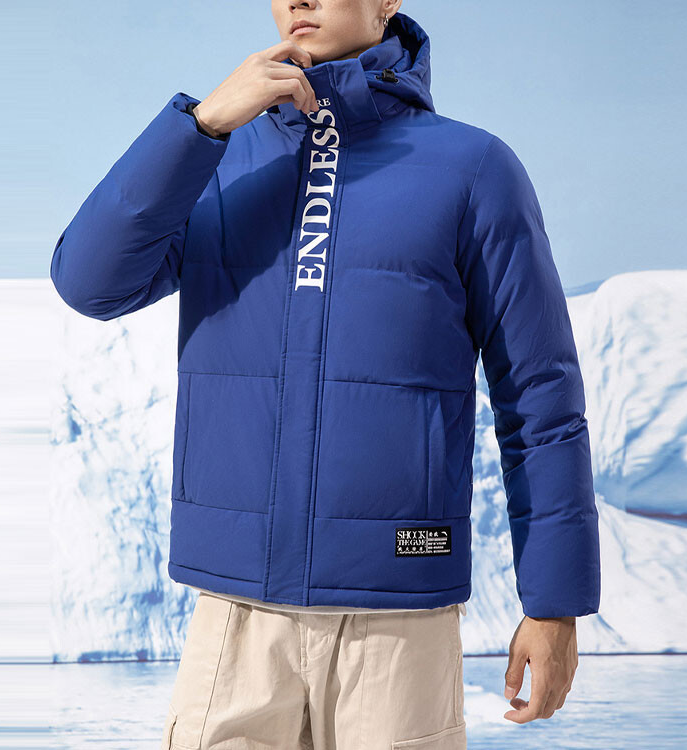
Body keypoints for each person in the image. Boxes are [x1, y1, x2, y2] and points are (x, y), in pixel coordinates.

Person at [49, 1, 601, 747]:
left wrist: (554, 603)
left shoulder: (474, 169)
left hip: (397, 620)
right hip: (235, 616)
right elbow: (90, 284)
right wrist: (201, 126)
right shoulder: (216, 160)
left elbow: (540, 397)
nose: (299, 0)